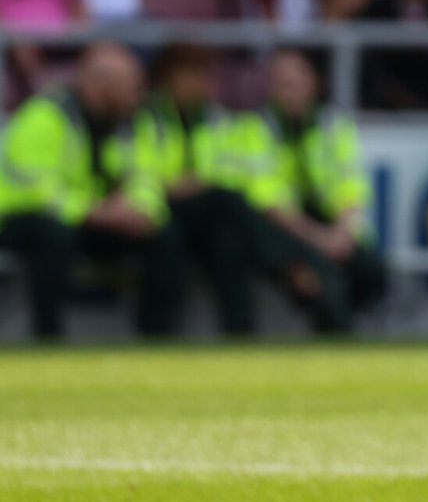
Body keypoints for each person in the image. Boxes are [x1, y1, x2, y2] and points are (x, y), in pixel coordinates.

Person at [0, 43, 183, 338]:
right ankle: (48, 337)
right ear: (101, 86)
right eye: (131, 87)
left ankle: (156, 337)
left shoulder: (132, 122)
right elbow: (36, 190)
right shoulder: (43, 118)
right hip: (26, 219)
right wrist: (95, 212)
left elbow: (147, 176)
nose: (139, 94)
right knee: (53, 235)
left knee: (164, 233)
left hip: (96, 219)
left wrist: (139, 210)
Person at [232, 49, 385, 334]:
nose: (288, 93)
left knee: (372, 270)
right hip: (284, 232)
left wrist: (343, 231)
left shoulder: (333, 124)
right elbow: (270, 203)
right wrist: (321, 240)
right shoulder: (254, 129)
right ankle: (336, 346)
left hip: (330, 223)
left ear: (313, 82)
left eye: (294, 83)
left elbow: (350, 184)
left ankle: (343, 330)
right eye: (281, 85)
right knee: (325, 282)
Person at [136, 44, 258, 336]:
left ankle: (240, 336)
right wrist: (172, 186)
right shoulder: (144, 117)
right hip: (158, 207)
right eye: (198, 75)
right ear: (171, 77)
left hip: (207, 212)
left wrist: (199, 182)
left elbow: (236, 168)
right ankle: (156, 335)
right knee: (169, 237)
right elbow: (134, 170)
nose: (206, 84)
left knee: (228, 242)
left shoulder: (217, 118)